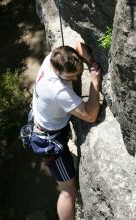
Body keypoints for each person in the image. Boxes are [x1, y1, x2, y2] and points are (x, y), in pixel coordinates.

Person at [32, 42, 101, 220]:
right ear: (59, 73)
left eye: (78, 73)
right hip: (48, 139)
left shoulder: (55, 58)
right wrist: (94, 82)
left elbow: (78, 46)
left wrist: (90, 59)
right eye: (71, 77)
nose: (76, 77)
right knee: (69, 191)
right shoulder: (58, 90)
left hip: (44, 118)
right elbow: (90, 115)